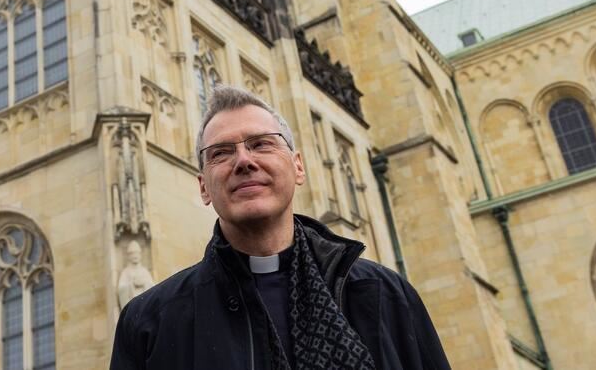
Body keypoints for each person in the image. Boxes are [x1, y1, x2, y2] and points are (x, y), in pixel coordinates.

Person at [110, 85, 451, 370]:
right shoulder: (149, 322)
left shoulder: (384, 294)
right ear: (203, 187)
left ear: (298, 167)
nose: (244, 161)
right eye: (221, 153)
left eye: (261, 144)